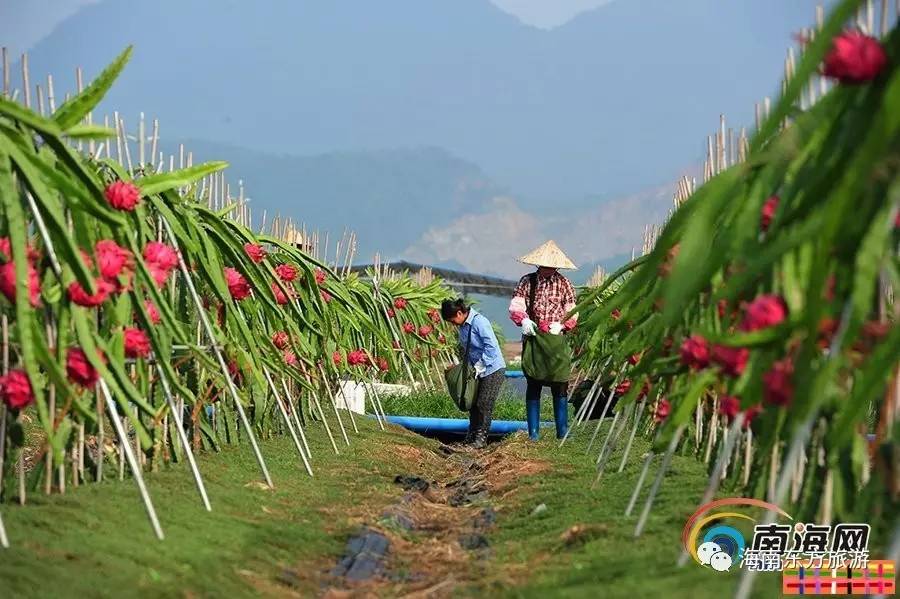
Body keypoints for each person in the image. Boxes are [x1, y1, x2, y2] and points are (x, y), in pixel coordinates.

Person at [508, 240, 578, 440]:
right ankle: (534, 433)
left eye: (551, 266)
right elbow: (516, 306)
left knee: (560, 382)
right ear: (538, 264)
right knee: (534, 381)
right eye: (544, 265)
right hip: (534, 335)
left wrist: (564, 325)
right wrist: (524, 320)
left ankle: (562, 431)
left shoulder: (564, 284)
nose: (547, 269)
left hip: (556, 338)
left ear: (556, 266)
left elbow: (572, 311)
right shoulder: (527, 282)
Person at [441, 298, 506, 448]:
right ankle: (471, 437)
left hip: (492, 368)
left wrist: (480, 365)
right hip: (476, 369)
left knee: (484, 403)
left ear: (459, 312)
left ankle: (481, 439)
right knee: (473, 403)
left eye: (452, 320)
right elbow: (466, 349)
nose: (453, 324)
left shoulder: (479, 322)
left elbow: (491, 347)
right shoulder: (463, 326)